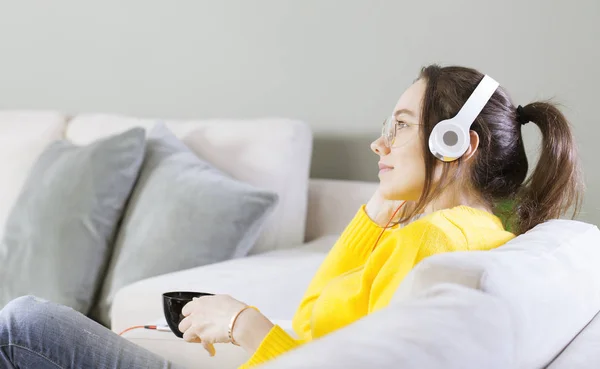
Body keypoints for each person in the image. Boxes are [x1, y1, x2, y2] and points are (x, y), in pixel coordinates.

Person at [0, 64, 584, 369]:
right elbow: (316, 322)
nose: (381, 144)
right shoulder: (469, 233)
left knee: (24, 323)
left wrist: (241, 323)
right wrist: (378, 210)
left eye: (401, 125)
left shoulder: (432, 243)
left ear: (458, 142)